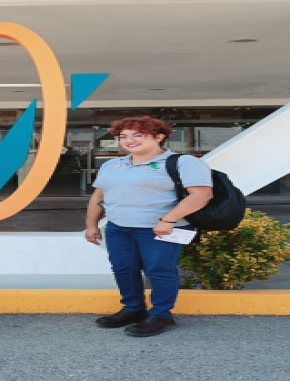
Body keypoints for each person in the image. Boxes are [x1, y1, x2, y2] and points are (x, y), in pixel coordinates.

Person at [85, 116, 212, 337]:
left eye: (138, 135)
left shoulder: (183, 162)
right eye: (123, 136)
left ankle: (162, 315)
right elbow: (98, 196)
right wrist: (91, 224)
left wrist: (168, 220)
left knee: (159, 271)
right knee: (123, 269)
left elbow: (201, 195)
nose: (129, 140)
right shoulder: (112, 165)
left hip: (161, 229)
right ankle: (133, 309)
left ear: (159, 136)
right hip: (118, 228)